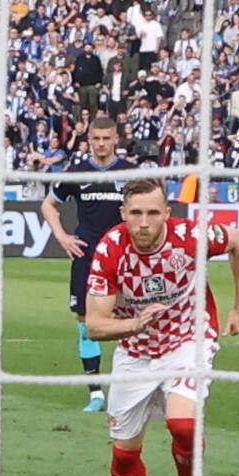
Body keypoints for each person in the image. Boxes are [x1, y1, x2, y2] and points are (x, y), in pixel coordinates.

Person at [84, 178, 239, 476]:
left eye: (153, 212)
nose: (144, 222)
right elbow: (94, 324)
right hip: (134, 350)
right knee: (123, 459)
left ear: (167, 214)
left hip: (188, 340)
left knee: (183, 423)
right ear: (123, 214)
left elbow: (238, 242)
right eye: (136, 213)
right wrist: (135, 324)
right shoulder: (110, 249)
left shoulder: (190, 236)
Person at [39, 114, 134, 413]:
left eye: (107, 139)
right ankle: (96, 393)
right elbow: (48, 205)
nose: (102, 144)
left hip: (126, 259)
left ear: (116, 139)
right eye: (96, 139)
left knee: (135, 320)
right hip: (87, 257)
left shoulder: (132, 173)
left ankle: (130, 386)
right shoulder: (77, 173)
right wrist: (63, 236)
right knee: (84, 323)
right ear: (89, 140)